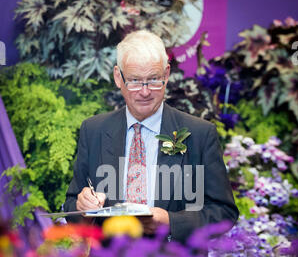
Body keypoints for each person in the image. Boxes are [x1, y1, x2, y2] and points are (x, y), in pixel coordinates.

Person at [64, 30, 239, 243]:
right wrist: (83, 206)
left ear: (166, 74)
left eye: (154, 80)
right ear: (118, 77)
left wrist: (170, 221)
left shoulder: (200, 134)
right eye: (135, 80)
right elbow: (72, 206)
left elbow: (224, 213)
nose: (145, 91)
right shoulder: (94, 130)